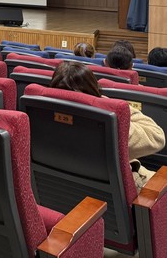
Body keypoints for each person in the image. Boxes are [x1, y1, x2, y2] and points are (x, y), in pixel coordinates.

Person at [49, 61, 165, 189]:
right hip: (120, 189)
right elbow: (157, 137)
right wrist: (110, 105)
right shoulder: (108, 123)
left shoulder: (41, 114)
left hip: (61, 186)